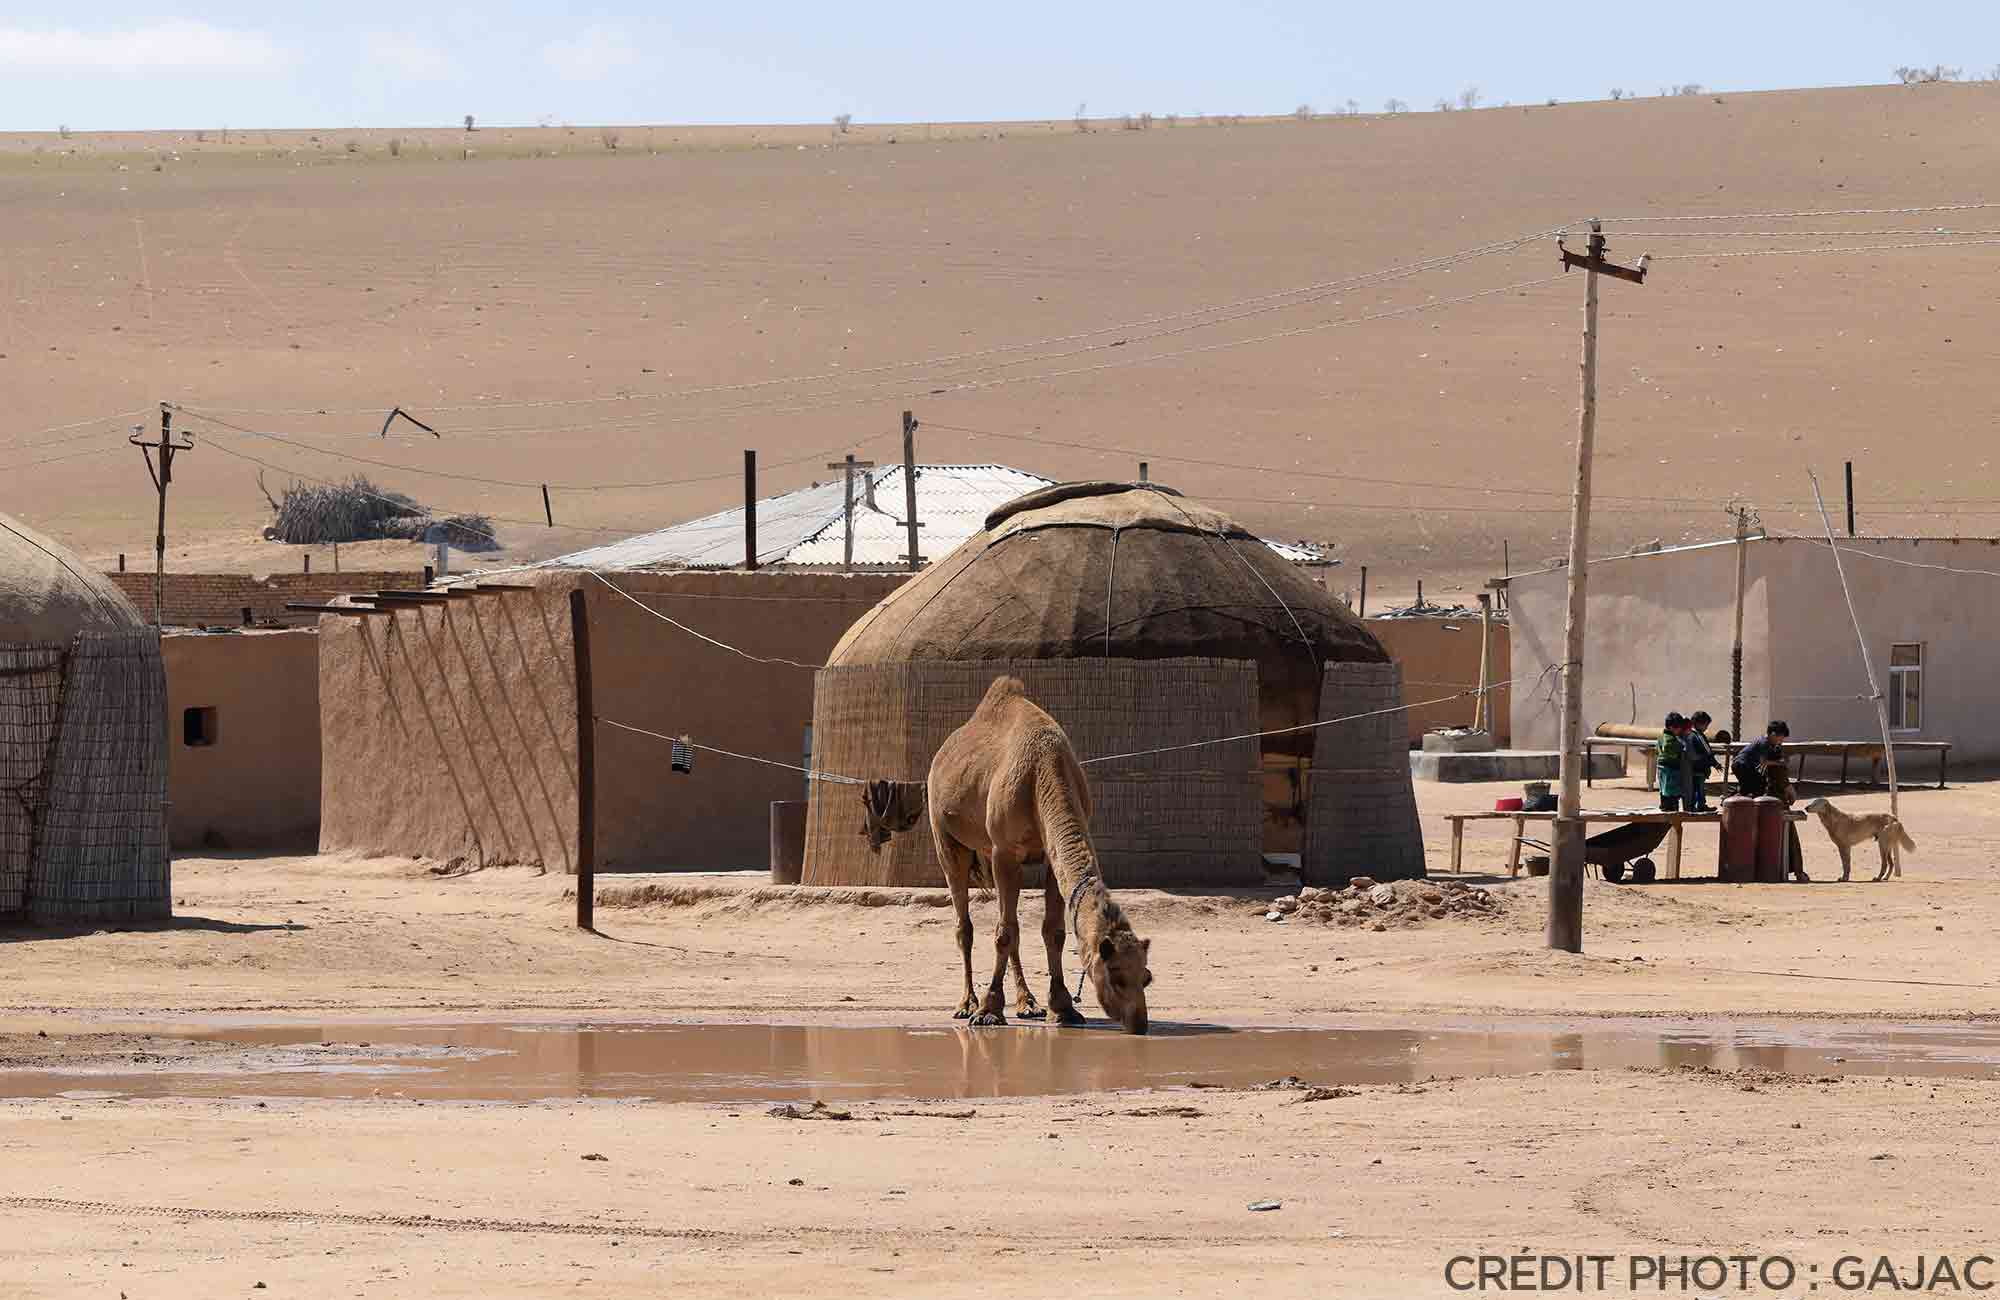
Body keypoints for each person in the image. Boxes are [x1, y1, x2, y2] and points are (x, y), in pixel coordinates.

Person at [1732, 720, 1791, 799]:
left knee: (1758, 785)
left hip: (1746, 766)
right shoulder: (1764, 742)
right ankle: (1730, 801)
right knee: (1753, 787)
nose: (1781, 741)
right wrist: (1780, 763)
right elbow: (1764, 762)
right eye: (1780, 738)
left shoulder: (1770, 743)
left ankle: (1729, 799)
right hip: (1742, 765)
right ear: (1773, 734)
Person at [1684, 711, 1719, 812]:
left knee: (1694, 788)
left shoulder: (1689, 734)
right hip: (1699, 767)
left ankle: (1694, 806)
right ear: (1700, 724)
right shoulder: (1698, 736)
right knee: (1699, 788)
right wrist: (1715, 763)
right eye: (1706, 725)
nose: (1706, 728)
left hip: (1691, 767)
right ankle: (1701, 805)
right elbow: (1708, 752)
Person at [1656, 712, 1689, 812]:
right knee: (1671, 791)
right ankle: (1671, 808)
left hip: (1662, 767)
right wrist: (1681, 747)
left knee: (1664, 789)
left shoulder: (1662, 736)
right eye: (1679, 727)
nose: (1680, 730)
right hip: (1669, 767)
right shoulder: (1669, 739)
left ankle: (1664, 805)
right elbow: (1669, 749)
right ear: (1672, 727)